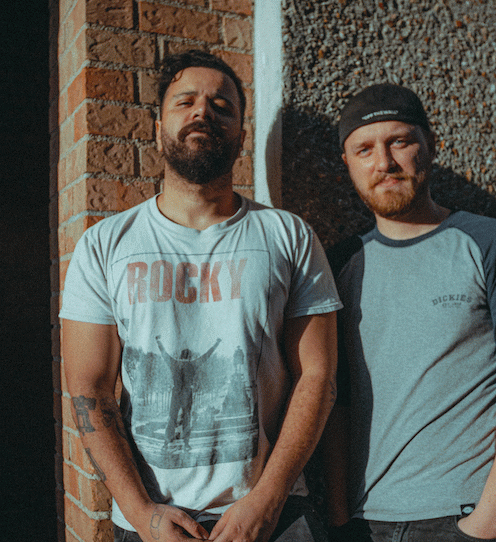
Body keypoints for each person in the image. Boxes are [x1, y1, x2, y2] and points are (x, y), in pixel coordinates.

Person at [60, 50, 342, 542]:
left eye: (221, 106)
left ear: (242, 136)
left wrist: (266, 500)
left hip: (272, 518)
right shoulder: (105, 245)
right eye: (185, 101)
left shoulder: (288, 236)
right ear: (157, 130)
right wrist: (142, 514)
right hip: (153, 521)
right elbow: (90, 389)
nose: (202, 113)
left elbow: (316, 376)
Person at [324, 84, 496, 541]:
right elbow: (337, 401)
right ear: (347, 163)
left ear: (431, 146)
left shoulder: (490, 242)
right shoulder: (340, 263)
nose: (384, 162)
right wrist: (339, 520)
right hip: (367, 525)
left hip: (464, 516)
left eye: (399, 141)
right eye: (364, 149)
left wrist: (487, 523)